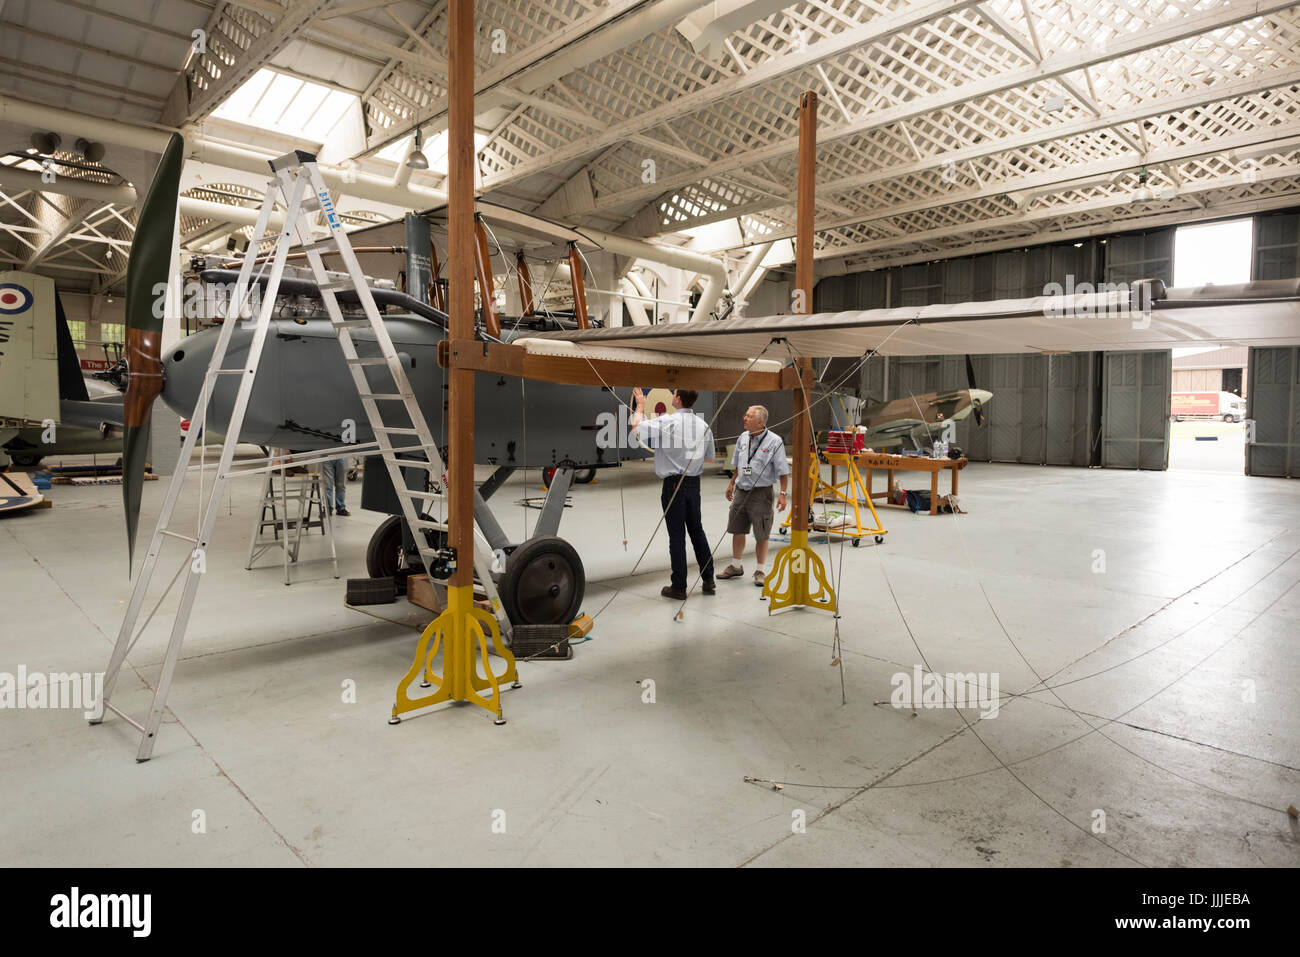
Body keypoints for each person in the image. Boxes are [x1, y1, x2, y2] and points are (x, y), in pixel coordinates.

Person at [631, 388, 716, 601]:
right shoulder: (704, 425)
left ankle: (679, 587)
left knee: (677, 536)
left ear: (677, 399)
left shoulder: (667, 422)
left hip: (674, 485)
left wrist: (640, 405)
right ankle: (708, 579)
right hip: (694, 484)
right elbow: (710, 459)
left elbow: (636, 429)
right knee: (697, 531)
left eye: (674, 393)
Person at [718, 405, 789, 587]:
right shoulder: (743, 438)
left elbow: (782, 470)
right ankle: (736, 566)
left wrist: (782, 494)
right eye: (745, 415)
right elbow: (738, 464)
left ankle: (760, 570)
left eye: (749, 416)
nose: (744, 418)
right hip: (741, 490)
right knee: (737, 528)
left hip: (761, 493)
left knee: (762, 533)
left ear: (760, 421)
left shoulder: (774, 441)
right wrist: (732, 482)